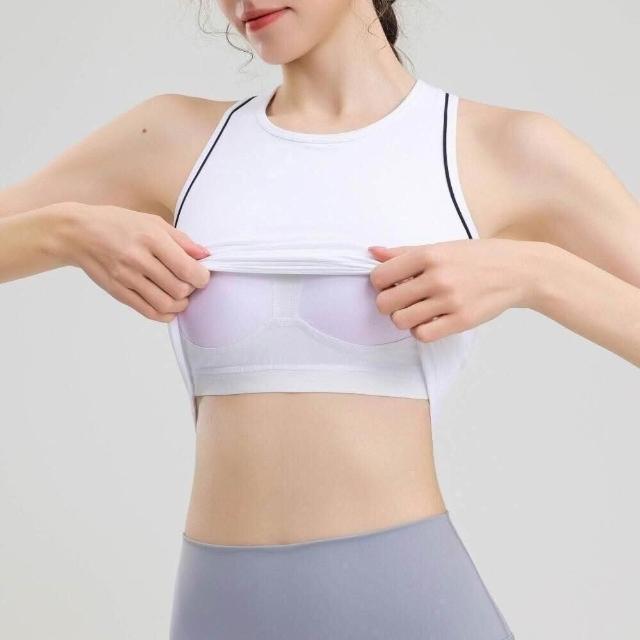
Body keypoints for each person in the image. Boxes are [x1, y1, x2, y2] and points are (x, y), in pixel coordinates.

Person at [1, 1, 638, 638]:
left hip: (408, 603)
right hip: (219, 609)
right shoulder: (173, 139)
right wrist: (66, 231)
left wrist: (539, 273)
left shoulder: (497, 148)